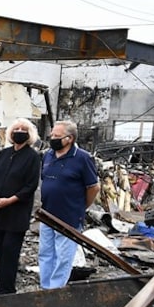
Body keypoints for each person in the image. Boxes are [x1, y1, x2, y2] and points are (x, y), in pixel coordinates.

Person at [38, 120, 99, 290]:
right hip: (47, 214)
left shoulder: (83, 158)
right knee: (45, 253)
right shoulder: (48, 156)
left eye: (57, 136)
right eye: (52, 135)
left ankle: (56, 289)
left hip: (69, 216)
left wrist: (81, 206)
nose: (52, 138)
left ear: (70, 138)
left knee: (63, 256)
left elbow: (93, 187)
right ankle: (45, 288)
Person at [0, 119, 42, 296]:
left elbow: (30, 186)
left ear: (30, 134)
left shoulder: (32, 157)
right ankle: (0, 287)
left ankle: (8, 289)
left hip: (17, 212)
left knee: (10, 251)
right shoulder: (4, 154)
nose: (19, 131)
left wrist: (9, 200)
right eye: (16, 128)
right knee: (0, 250)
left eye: (23, 129)